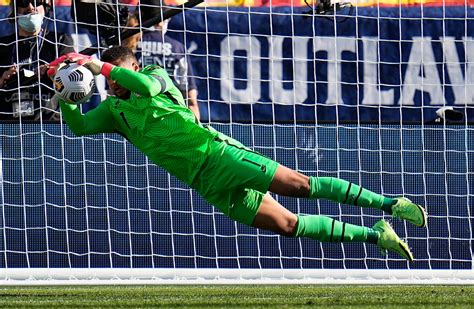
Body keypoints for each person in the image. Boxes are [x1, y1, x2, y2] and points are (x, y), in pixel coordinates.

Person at [48, 46, 428, 262]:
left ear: (130, 66)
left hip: (218, 155)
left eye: (117, 75)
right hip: (204, 182)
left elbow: (145, 86)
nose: (112, 84)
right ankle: (376, 236)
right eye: (107, 82)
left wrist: (99, 64)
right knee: (288, 225)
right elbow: (80, 127)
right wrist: (61, 93)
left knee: (298, 184)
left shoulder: (156, 76)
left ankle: (391, 204)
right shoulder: (113, 112)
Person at [0, 0, 74, 121]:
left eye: (36, 2)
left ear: (45, 7)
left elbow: (73, 75)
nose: (30, 8)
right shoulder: (3, 45)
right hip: (8, 125)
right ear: (15, 11)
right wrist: (2, 79)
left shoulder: (60, 41)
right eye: (23, 2)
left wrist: (54, 70)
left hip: (50, 124)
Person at [131, 0, 201, 120]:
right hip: (171, 119)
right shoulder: (177, 48)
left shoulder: (129, 46)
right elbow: (191, 101)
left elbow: (112, 93)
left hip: (137, 119)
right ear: (161, 22)